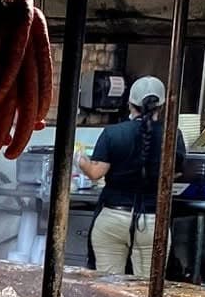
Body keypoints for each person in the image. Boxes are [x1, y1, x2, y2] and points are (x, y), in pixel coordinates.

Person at [79, 76, 186, 279]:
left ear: (130, 103)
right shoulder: (173, 135)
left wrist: (81, 161)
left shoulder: (113, 133)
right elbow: (175, 173)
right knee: (147, 293)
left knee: (108, 289)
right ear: (161, 106)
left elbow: (95, 173)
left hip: (111, 220)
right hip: (154, 224)